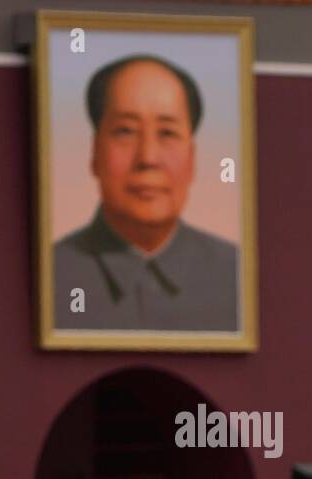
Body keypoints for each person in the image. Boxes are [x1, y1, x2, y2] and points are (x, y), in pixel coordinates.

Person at [53, 55, 238, 333]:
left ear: (193, 156)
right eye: (126, 131)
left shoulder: (236, 276)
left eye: (167, 133)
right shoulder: (53, 275)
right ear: (94, 152)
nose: (148, 158)